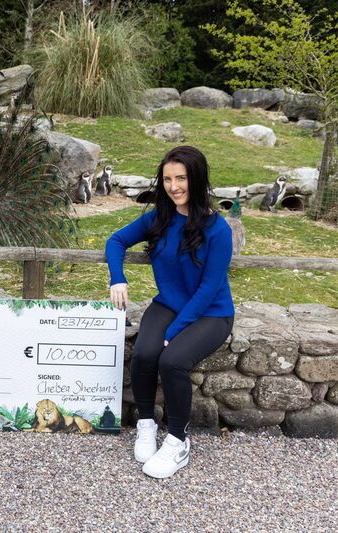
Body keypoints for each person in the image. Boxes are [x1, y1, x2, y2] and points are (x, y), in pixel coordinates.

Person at [105, 146, 234, 479]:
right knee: (145, 353)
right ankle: (146, 424)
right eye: (167, 179)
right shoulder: (158, 219)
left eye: (182, 178)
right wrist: (118, 278)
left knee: (172, 360)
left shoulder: (218, 229)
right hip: (168, 304)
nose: (174, 186)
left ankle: (178, 440)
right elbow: (116, 241)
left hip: (211, 313)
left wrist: (175, 332)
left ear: (197, 179)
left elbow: (208, 290)